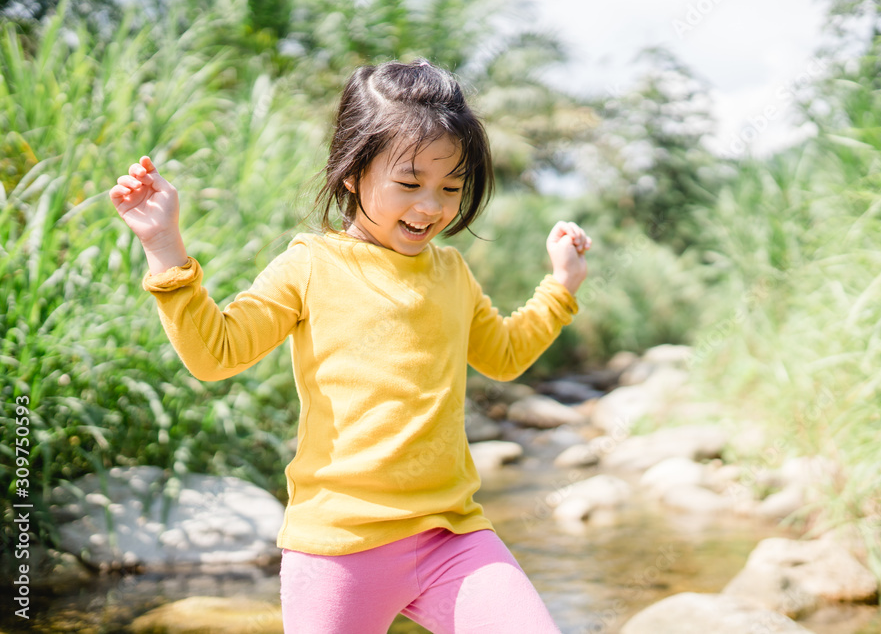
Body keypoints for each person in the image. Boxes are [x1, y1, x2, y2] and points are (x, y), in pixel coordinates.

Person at [109, 58, 590, 633]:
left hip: (451, 536)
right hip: (338, 546)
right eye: (409, 184)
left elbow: (503, 355)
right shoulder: (311, 265)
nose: (431, 207)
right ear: (351, 174)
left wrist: (560, 287)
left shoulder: (451, 271)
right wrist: (165, 247)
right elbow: (217, 354)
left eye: (451, 188)